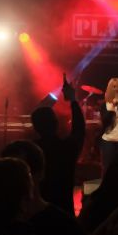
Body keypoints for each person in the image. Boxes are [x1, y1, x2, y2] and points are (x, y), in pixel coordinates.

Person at [31, 75, 85, 215]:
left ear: (35, 127)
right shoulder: (67, 148)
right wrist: (72, 99)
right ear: (56, 124)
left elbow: (37, 116)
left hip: (36, 215)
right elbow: (79, 128)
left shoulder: (31, 150)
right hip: (64, 213)